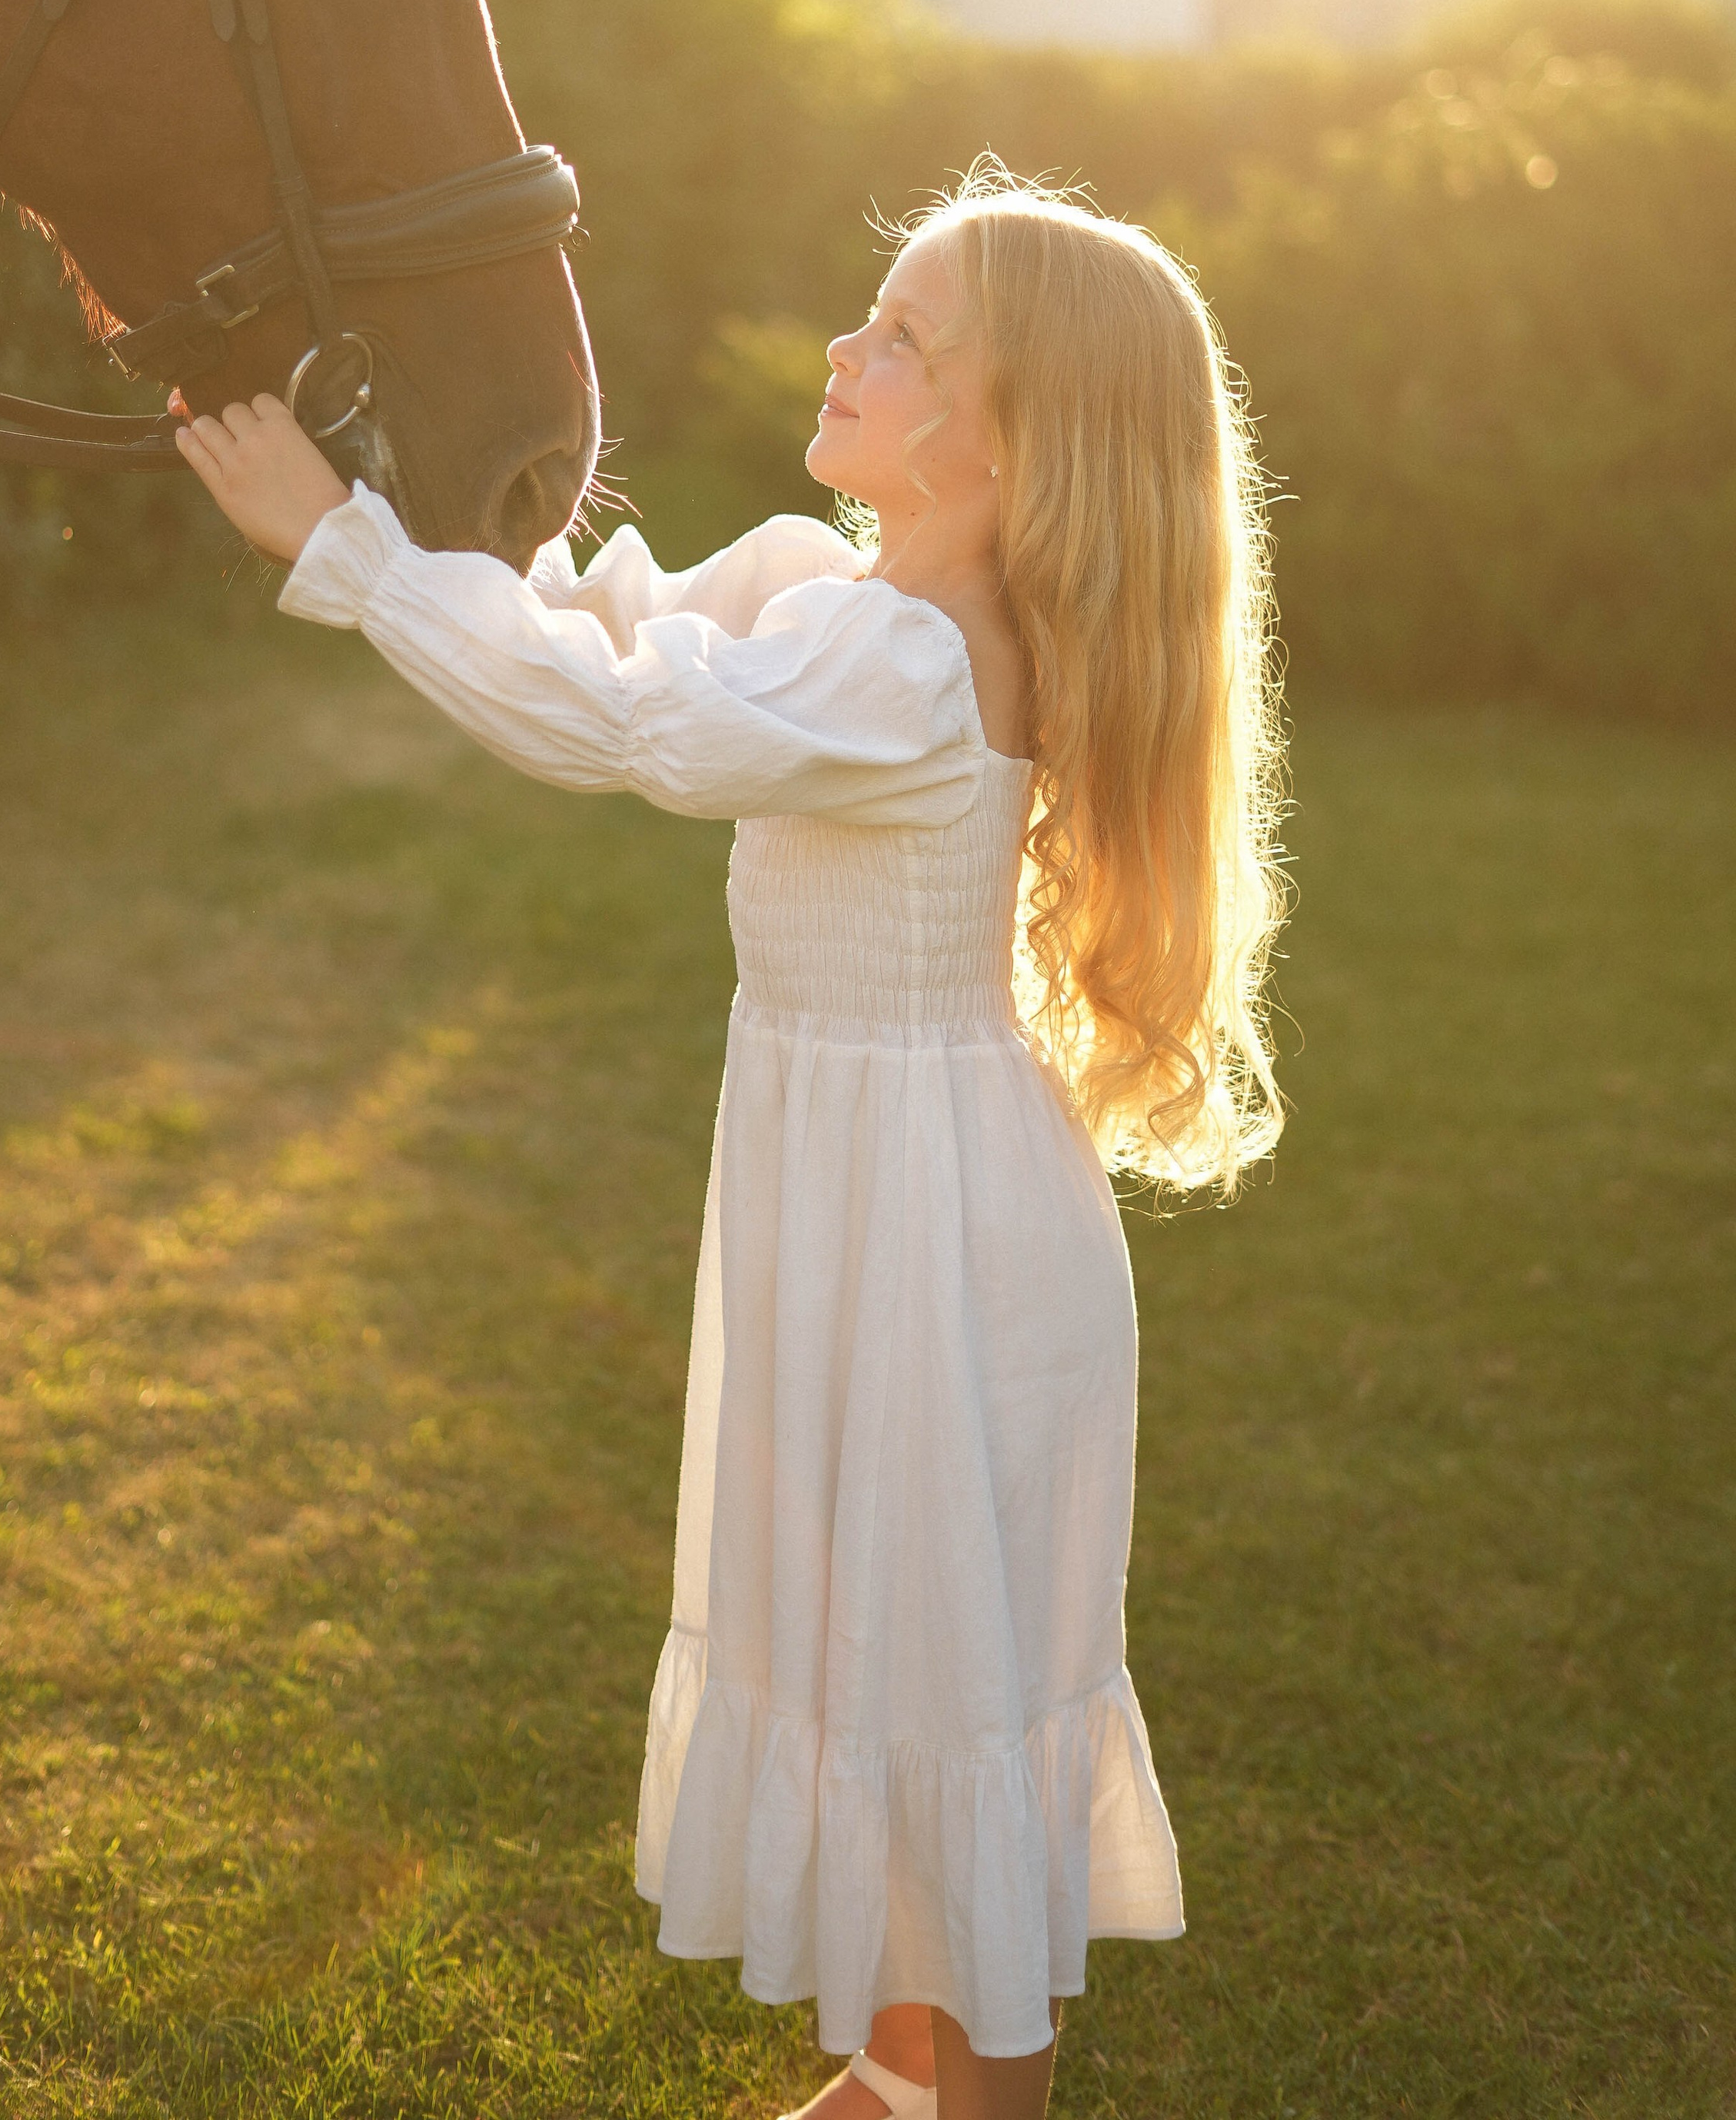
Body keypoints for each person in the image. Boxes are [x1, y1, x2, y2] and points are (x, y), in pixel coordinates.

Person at [175, 170, 1288, 2120]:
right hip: (854, 1196)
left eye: (905, 341)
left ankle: (973, 2094)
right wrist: (383, 470)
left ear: (1011, 439)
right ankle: (891, 2075)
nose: (847, 349)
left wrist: (343, 554)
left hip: (925, 1232)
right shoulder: (832, 597)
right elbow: (609, 622)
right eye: (872, 312)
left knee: (928, 1669)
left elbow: (632, 727)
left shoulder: (917, 667)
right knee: (862, 1641)